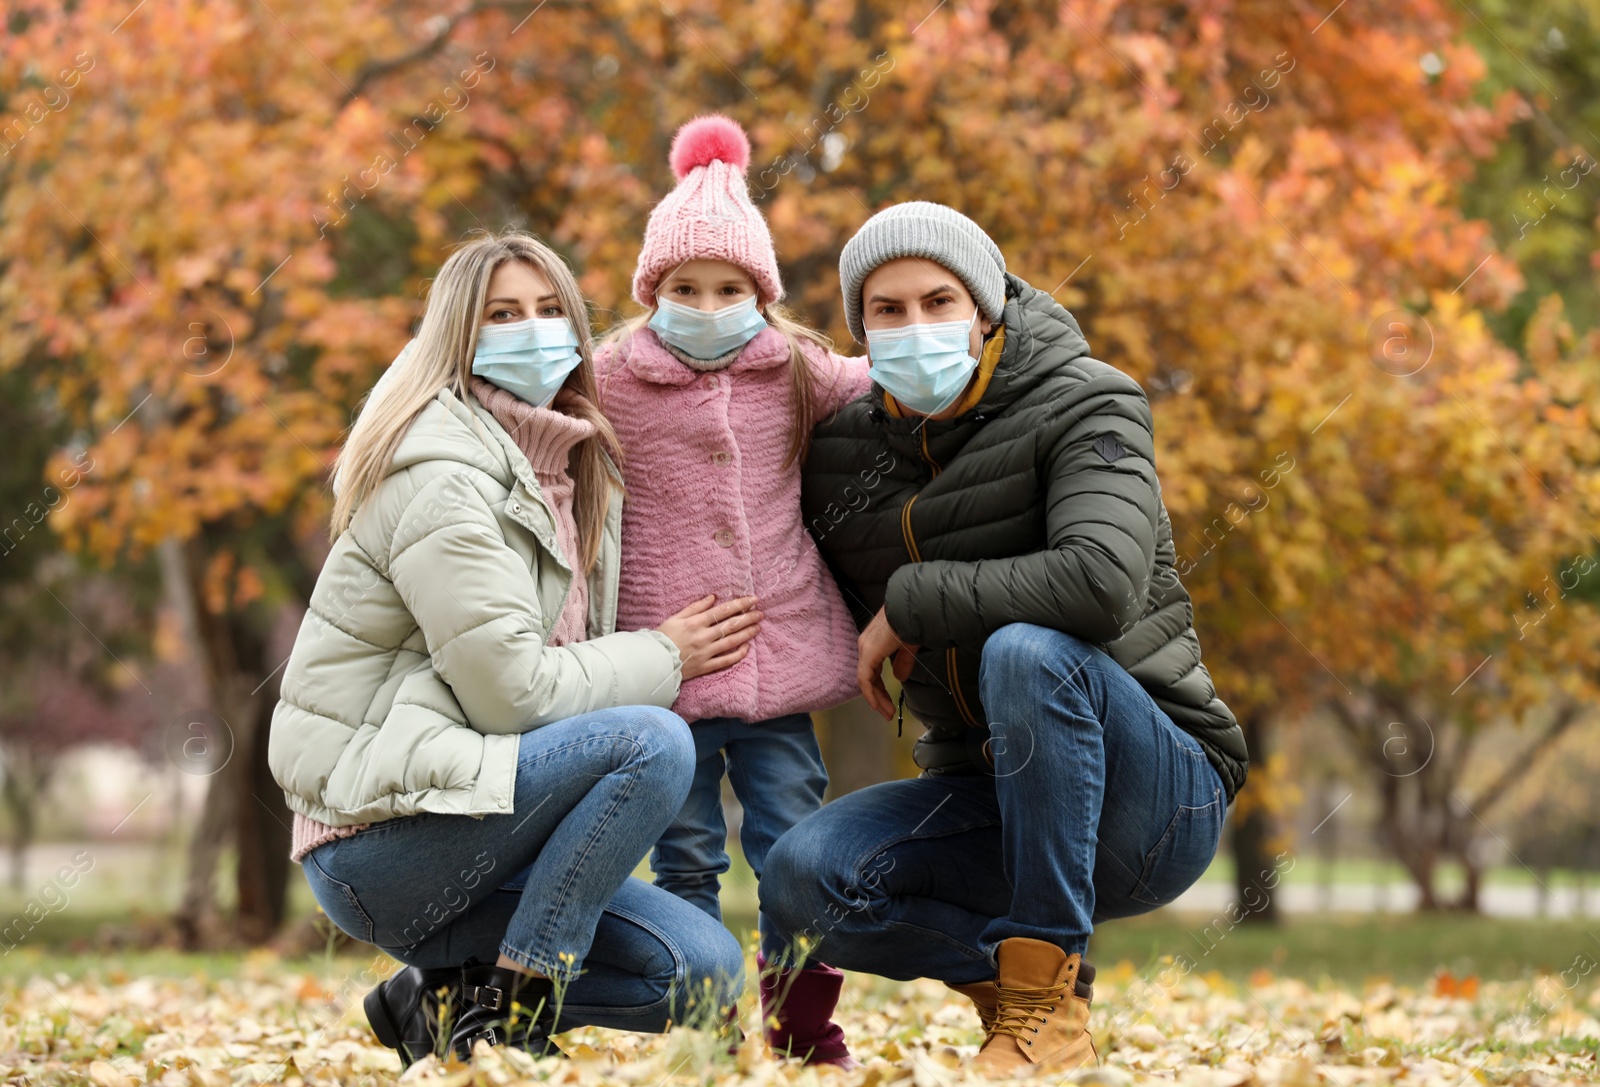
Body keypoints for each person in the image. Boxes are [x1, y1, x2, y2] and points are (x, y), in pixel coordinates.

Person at [760, 202, 1250, 1077]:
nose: (916, 326)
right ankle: (1037, 994)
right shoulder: (838, 455)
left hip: (1155, 795)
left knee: (1026, 650)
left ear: (985, 309)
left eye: (939, 301)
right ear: (860, 327)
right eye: (888, 308)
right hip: (986, 791)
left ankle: (1040, 1005)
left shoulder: (1090, 401)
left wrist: (913, 602)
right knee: (805, 876)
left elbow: (1098, 585)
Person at [268, 230, 755, 1067]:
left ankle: (443, 1000)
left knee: (702, 973)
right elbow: (514, 695)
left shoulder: (569, 468)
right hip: (384, 838)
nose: (534, 330)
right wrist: (666, 653)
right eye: (503, 314)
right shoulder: (440, 474)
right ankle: (514, 1017)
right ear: (460, 337)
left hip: (487, 818)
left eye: (549, 310)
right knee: (651, 738)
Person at [594, 114, 872, 1067]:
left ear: (760, 291)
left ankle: (804, 1022)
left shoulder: (793, 366)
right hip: (665, 669)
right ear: (652, 291)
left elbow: (887, 383)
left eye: (727, 288)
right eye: (683, 288)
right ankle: (699, 1023)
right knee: (684, 853)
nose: (706, 305)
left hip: (778, 660)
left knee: (796, 849)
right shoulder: (611, 379)